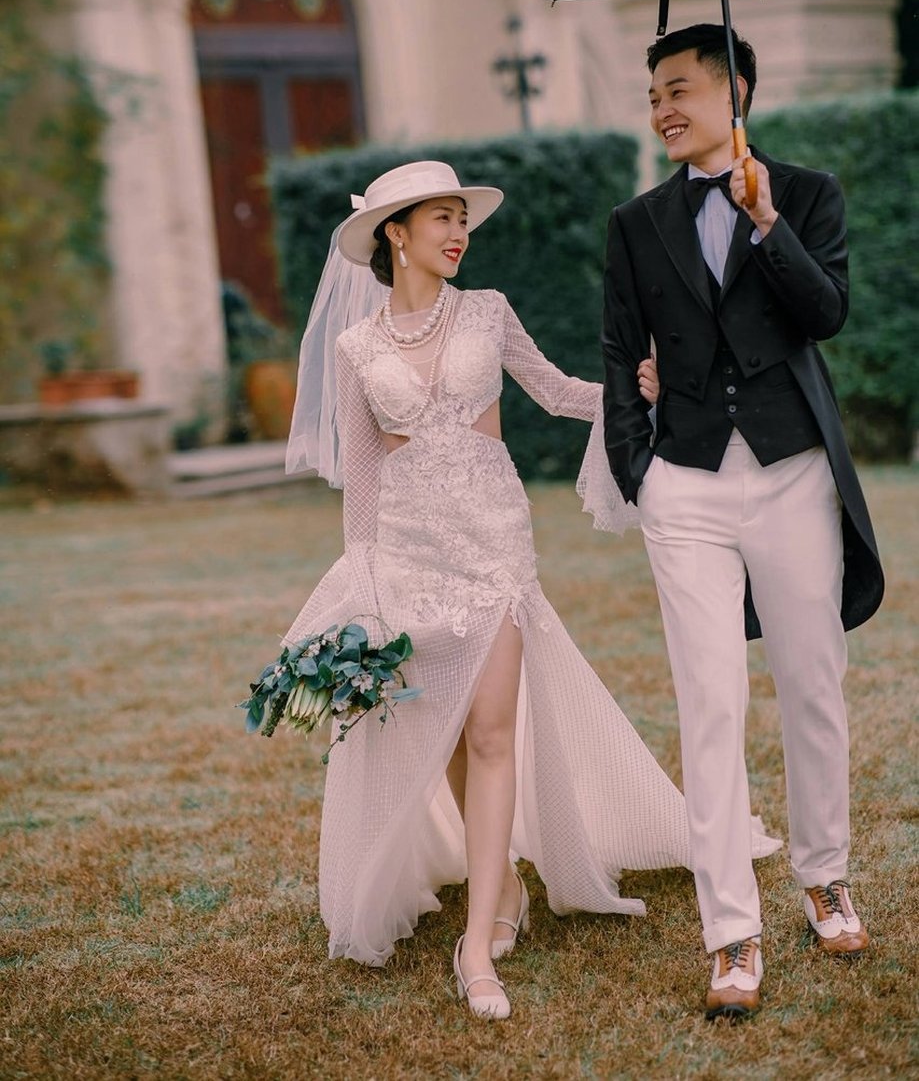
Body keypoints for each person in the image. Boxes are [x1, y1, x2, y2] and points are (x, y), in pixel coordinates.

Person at [280, 158, 777, 1019]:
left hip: (492, 544)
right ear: (395, 234)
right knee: (439, 728)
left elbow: (550, 392)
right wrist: (361, 585)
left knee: (490, 732)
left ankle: (476, 948)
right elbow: (361, 476)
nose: (458, 233)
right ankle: (501, 883)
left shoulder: (487, 310)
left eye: (461, 218)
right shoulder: (356, 347)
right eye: (441, 218)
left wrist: (634, 392)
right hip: (407, 549)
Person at [601, 23, 885, 1021]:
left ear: (735, 93)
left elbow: (826, 312)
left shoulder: (805, 194)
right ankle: (730, 930)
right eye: (652, 95)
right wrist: (638, 471)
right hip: (684, 485)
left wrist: (767, 223)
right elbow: (617, 351)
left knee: (811, 682)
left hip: (791, 472)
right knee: (708, 701)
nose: (661, 111)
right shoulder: (635, 223)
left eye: (677, 89)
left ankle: (824, 876)